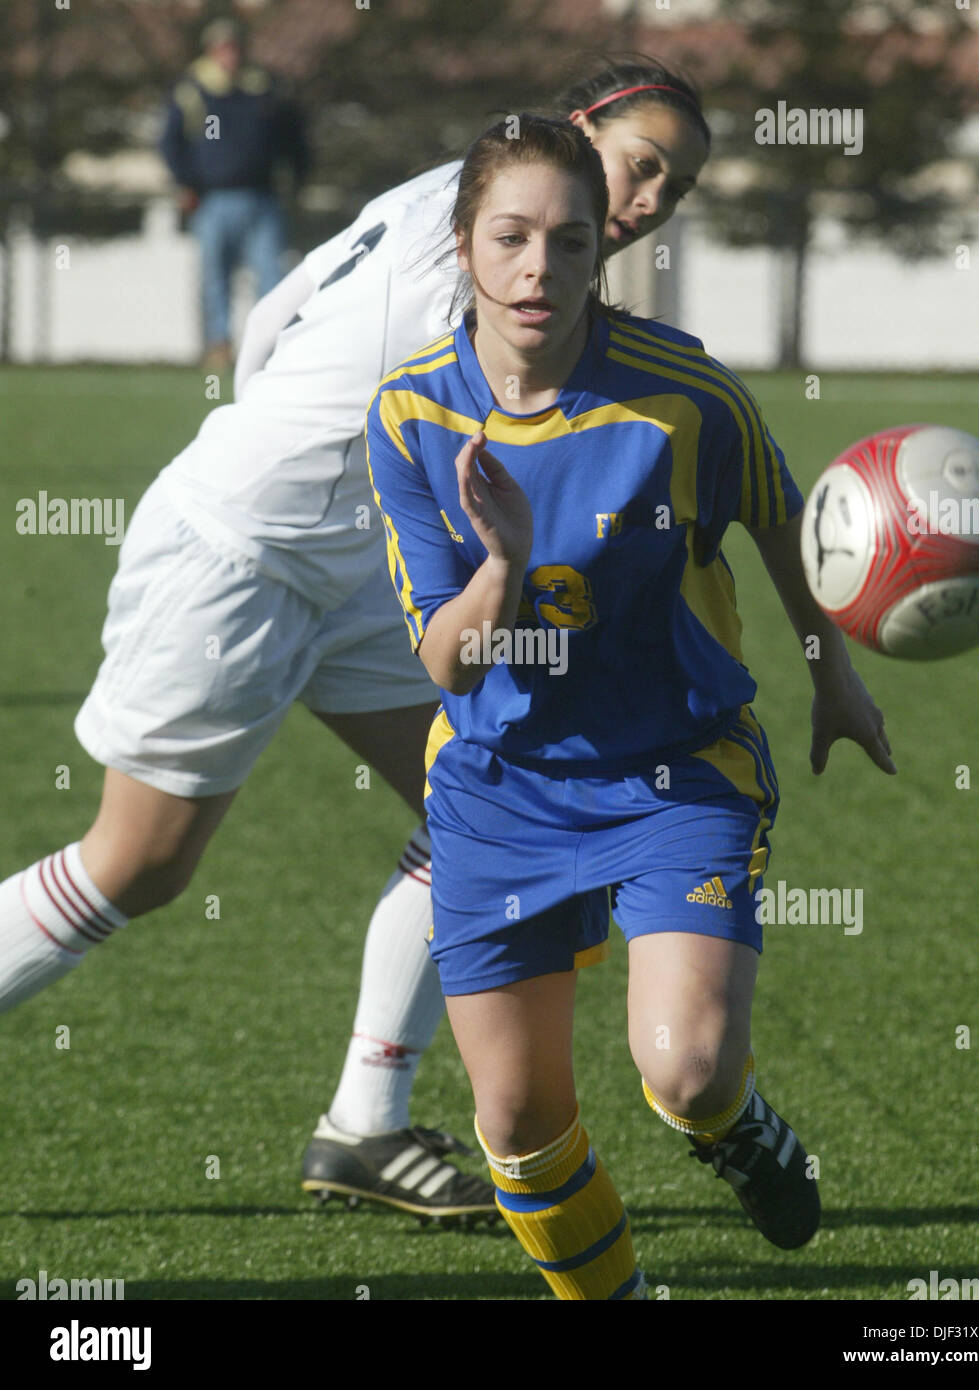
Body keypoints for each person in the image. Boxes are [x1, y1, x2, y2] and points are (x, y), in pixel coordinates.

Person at [0, 60, 711, 1226]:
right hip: (239, 556)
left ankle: (364, 1128)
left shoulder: (456, 192)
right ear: (580, 129)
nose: (647, 202)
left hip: (345, 571)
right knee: (136, 864)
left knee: (486, 802)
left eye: (671, 189)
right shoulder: (486, 265)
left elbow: (277, 313)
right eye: (639, 164)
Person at [365, 113, 895, 1299]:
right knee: (514, 1122)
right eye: (508, 237)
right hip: (500, 787)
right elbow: (446, 664)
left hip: (675, 766)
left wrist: (833, 674)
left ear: (599, 250)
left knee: (686, 1068)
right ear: (462, 245)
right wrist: (498, 563)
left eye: (565, 240)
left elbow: (778, 513)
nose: (535, 268)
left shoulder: (683, 394)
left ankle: (736, 1126)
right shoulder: (409, 412)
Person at [159, 17, 308, 368]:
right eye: (222, 48)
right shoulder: (193, 89)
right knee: (215, 278)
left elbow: (293, 138)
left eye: (234, 47)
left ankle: (272, 349)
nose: (230, 55)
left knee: (272, 277)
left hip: (262, 198)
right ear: (211, 51)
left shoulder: (264, 89)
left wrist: (297, 178)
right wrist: (186, 182)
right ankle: (218, 348)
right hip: (213, 200)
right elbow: (171, 142)